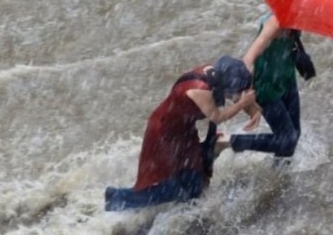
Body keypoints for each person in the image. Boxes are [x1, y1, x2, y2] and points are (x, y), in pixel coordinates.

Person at [104, 56, 258, 211]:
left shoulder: (219, 73)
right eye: (234, 92)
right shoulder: (199, 89)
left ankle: (183, 215)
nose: (235, 96)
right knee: (168, 187)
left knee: (194, 178)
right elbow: (218, 117)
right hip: (163, 133)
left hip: (183, 129)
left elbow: (238, 94)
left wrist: (253, 110)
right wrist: (243, 104)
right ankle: (117, 198)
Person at [218, 13, 305, 159]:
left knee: (293, 136)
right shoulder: (274, 24)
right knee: (287, 140)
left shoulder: (298, 18)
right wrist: (249, 104)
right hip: (265, 88)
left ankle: (280, 177)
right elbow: (248, 61)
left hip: (287, 79)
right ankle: (227, 141)